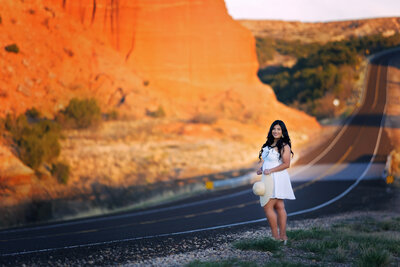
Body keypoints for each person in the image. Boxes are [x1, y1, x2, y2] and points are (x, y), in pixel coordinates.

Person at [256, 120, 295, 244]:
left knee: (267, 206)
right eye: (274, 129)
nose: (276, 131)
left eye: (279, 129)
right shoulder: (267, 145)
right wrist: (261, 169)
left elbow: (286, 164)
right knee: (279, 206)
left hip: (277, 178)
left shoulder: (284, 146)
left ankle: (276, 237)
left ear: (282, 131)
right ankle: (283, 237)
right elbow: (266, 160)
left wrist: (270, 170)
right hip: (268, 178)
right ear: (271, 130)